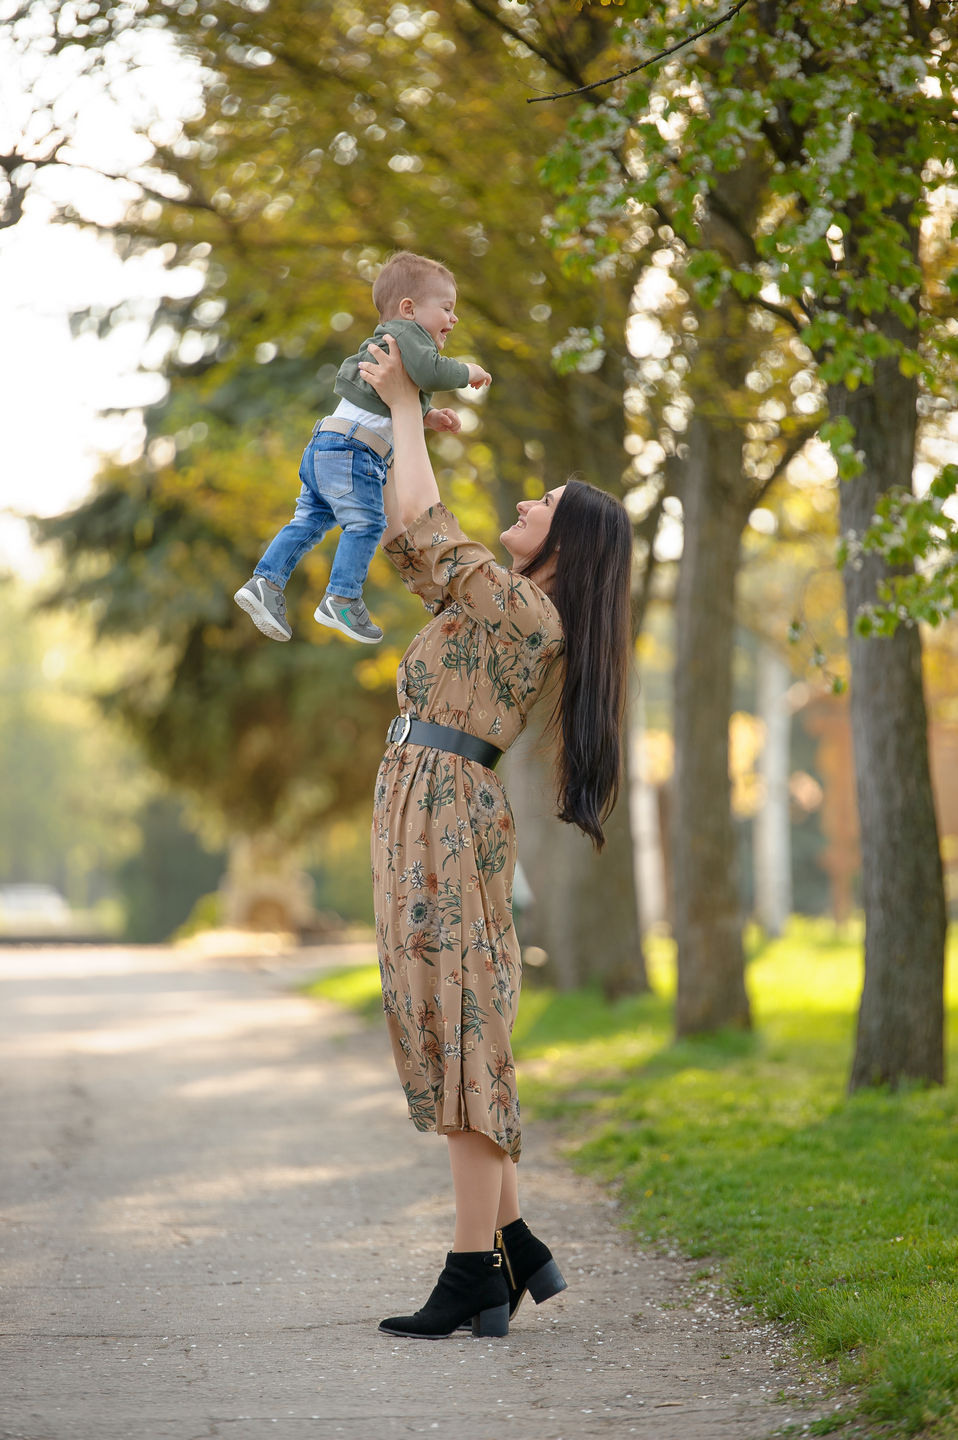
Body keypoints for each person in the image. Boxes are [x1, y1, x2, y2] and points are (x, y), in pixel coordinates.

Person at [361, 336, 633, 1340]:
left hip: (446, 809)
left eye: (539, 507)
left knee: (463, 1026)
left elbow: (431, 530)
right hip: (418, 798)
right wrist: (405, 427)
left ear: (565, 547)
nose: (519, 505)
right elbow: (410, 534)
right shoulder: (497, 605)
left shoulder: (530, 613)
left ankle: (477, 1267)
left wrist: (400, 407)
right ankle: (517, 1246)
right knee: (441, 1020)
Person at [233, 251, 491, 645]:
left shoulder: (391, 343)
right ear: (408, 308)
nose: (453, 319)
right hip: (355, 452)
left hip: (327, 444)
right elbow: (432, 372)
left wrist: (429, 416)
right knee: (368, 523)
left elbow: (383, 401)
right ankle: (343, 597)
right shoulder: (408, 335)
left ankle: (265, 581)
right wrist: (469, 371)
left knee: (309, 521)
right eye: (446, 308)